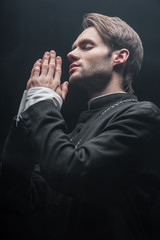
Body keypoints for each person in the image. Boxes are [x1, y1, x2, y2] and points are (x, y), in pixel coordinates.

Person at [1, 13, 160, 240]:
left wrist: (42, 105)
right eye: (74, 46)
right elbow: (13, 197)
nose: (71, 53)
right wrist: (27, 115)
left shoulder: (143, 116)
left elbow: (70, 172)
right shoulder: (72, 135)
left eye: (86, 46)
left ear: (120, 56)